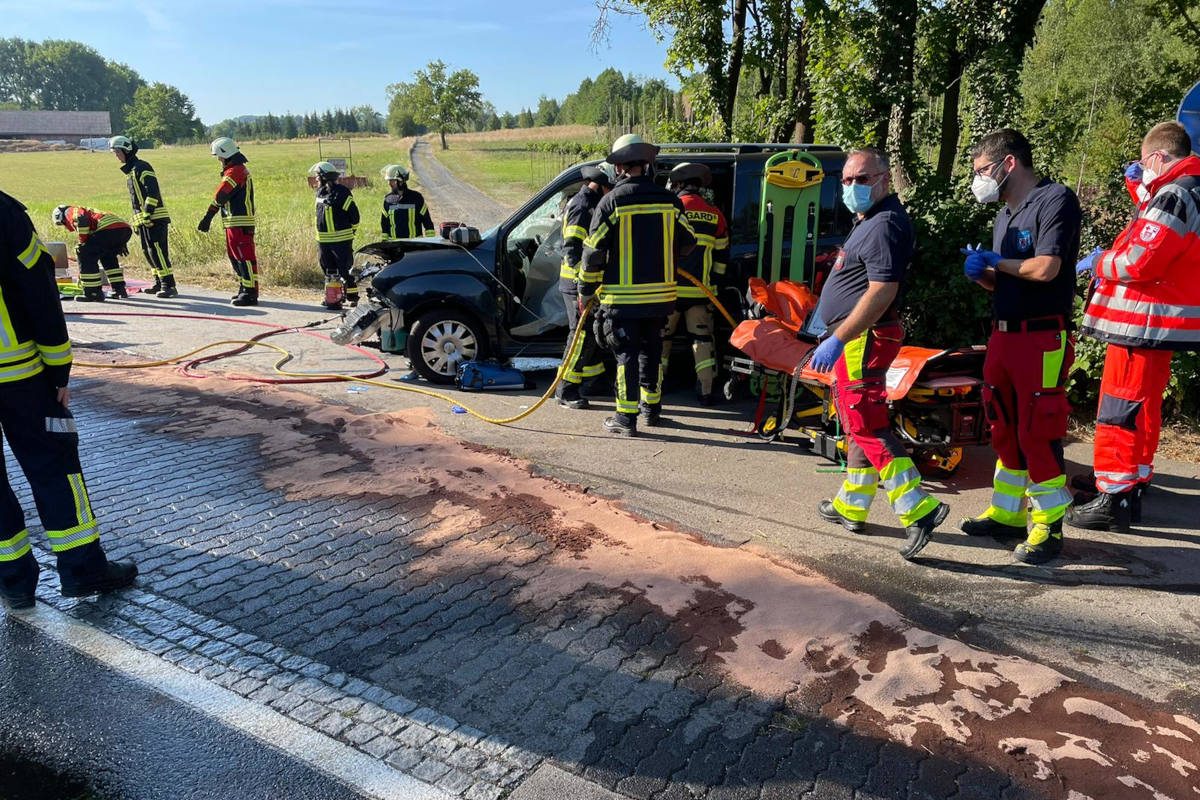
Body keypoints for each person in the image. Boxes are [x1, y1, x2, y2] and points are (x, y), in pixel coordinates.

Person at [0, 190, 137, 610]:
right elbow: (36, 288)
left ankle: (12, 579)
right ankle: (81, 569)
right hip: (20, 374)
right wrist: (59, 367)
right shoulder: (3, 212)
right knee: (55, 464)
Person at [811, 148, 949, 560]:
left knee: (867, 425)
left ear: (885, 179)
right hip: (854, 338)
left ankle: (918, 509)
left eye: (862, 179)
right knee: (856, 424)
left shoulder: (886, 223)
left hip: (862, 339)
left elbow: (882, 290)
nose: (852, 187)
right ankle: (851, 504)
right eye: (847, 180)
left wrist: (840, 336)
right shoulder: (868, 222)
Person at [1068, 121, 1200, 532]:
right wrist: (1140, 190)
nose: (1141, 171)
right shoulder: (1186, 190)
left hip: (1140, 320)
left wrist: (1099, 261)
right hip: (1159, 322)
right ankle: (1134, 477)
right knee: (1142, 405)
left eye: (1144, 164)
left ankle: (1114, 495)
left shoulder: (1174, 195)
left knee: (1118, 408)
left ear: (1159, 158)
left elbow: (1139, 261)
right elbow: (1158, 229)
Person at [958, 129, 1082, 564]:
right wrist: (982, 275)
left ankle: (1048, 525)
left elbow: (1046, 269)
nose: (979, 181)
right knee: (1003, 425)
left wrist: (997, 262)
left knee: (1037, 427)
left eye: (982, 171)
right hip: (1004, 334)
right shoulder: (1004, 215)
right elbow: (1005, 279)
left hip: (1042, 336)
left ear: (1008, 164)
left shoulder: (1056, 200)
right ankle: (1008, 513)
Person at [581, 134, 696, 436]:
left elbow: (593, 254)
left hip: (622, 299)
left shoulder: (611, 202)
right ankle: (652, 410)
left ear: (618, 168)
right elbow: (689, 242)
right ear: (647, 165)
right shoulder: (670, 201)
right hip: (661, 298)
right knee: (652, 351)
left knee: (626, 355)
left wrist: (585, 291)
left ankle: (625, 418)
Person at [662, 162, 729, 405]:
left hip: (669, 291)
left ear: (678, 184)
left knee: (661, 339)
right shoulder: (715, 214)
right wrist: (715, 283)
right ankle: (706, 390)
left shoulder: (670, 210)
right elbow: (722, 255)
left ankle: (656, 387)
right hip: (702, 292)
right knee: (702, 341)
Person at [556, 163, 614, 409]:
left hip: (586, 283)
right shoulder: (582, 206)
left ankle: (594, 380)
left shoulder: (590, 202)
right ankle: (565, 390)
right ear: (602, 184)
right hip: (576, 283)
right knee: (580, 335)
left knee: (590, 333)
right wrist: (584, 284)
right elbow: (572, 249)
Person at [110, 135, 177, 298]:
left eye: (117, 151)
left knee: (158, 252)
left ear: (126, 150)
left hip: (155, 218)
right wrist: (137, 220)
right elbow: (136, 201)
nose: (116, 155)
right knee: (148, 252)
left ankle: (169, 285)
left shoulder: (142, 167)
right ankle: (159, 282)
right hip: (145, 220)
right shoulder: (131, 171)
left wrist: (147, 214)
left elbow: (152, 192)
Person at [198, 137, 258, 306]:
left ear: (227, 155)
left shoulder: (235, 171)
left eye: (220, 156)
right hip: (234, 222)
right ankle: (244, 288)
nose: (219, 160)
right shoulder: (237, 170)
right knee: (236, 257)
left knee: (244, 257)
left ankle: (250, 292)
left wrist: (208, 217)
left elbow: (221, 195)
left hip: (240, 222)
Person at [52, 204, 131, 302]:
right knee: (108, 257)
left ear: (60, 216)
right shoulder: (89, 210)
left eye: (62, 224)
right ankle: (119, 289)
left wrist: (82, 243)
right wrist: (120, 242)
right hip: (123, 229)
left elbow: (82, 220)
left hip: (107, 229)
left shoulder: (70, 211)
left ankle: (93, 293)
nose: (65, 227)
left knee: (84, 253)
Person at [309, 161, 360, 311]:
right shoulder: (320, 192)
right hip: (323, 241)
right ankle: (333, 298)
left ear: (325, 177)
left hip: (341, 240)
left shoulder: (342, 193)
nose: (316, 179)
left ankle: (352, 297)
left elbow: (354, 216)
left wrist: (352, 232)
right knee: (329, 271)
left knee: (344, 270)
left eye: (318, 176)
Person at [379, 165, 436, 240]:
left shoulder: (416, 197)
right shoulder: (388, 199)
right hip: (394, 247)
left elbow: (427, 222)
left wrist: (430, 242)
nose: (389, 183)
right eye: (389, 181)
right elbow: (384, 224)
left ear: (401, 181)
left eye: (392, 180)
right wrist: (385, 245)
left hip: (414, 246)